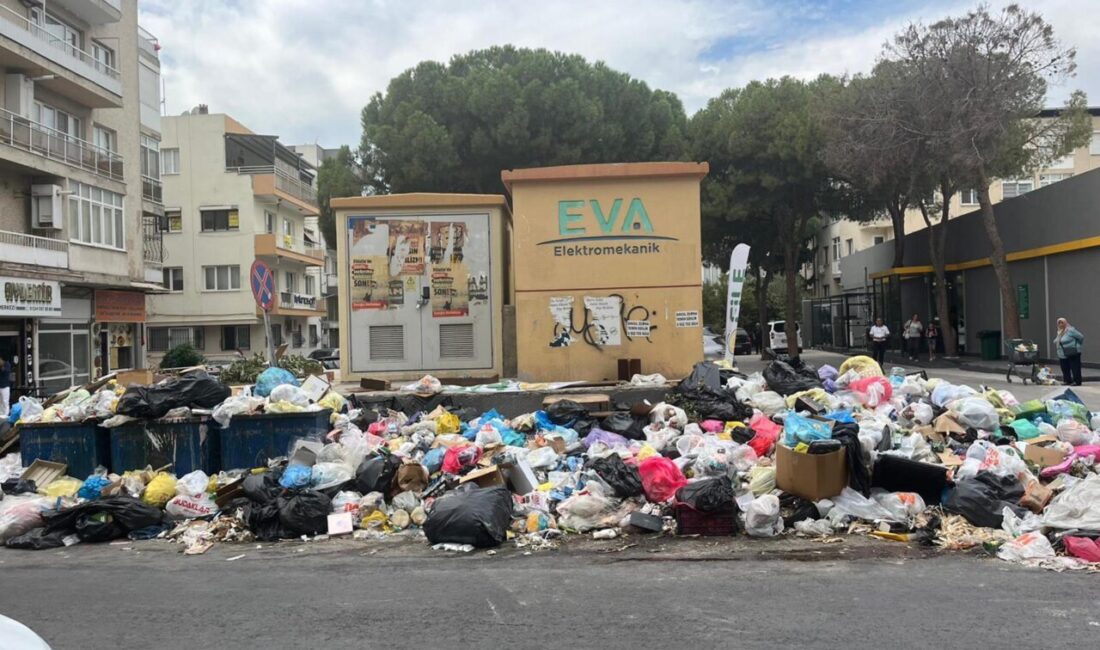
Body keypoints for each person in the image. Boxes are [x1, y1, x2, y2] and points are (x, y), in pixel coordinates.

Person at [1054, 317, 1084, 386]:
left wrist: (1077, 345)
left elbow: (1081, 337)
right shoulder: (1059, 331)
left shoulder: (1071, 330)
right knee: (1064, 367)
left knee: (1075, 367)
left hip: (1073, 351)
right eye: (1059, 323)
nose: (1061, 324)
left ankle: (1077, 381)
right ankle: (1067, 380)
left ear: (1065, 323)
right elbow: (1058, 340)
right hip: (1062, 352)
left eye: (1062, 323)